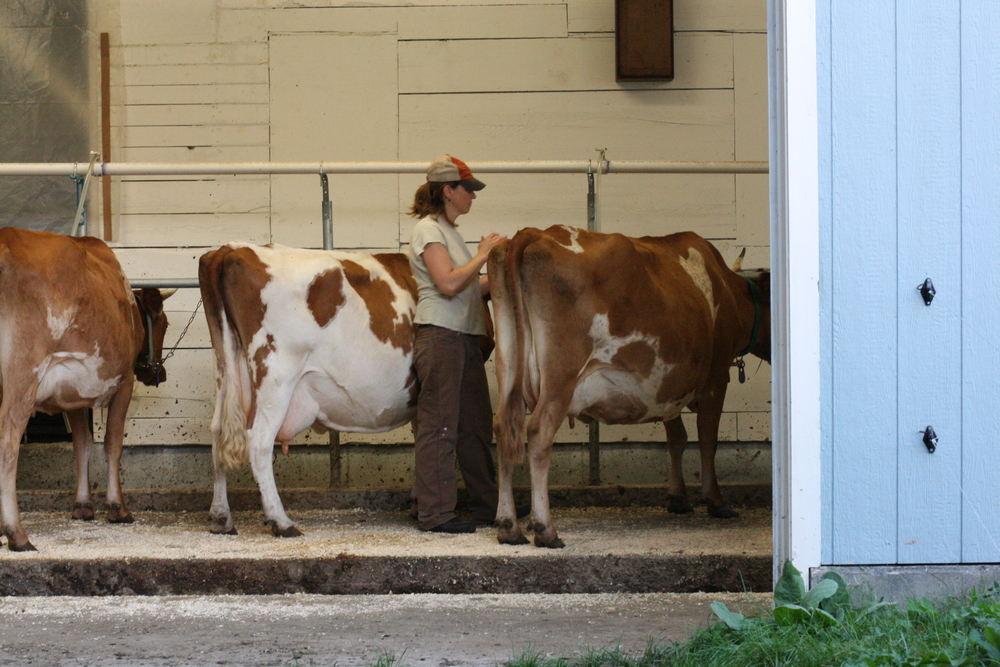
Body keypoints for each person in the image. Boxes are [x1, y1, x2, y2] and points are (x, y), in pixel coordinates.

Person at [406, 154, 507, 534]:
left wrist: (497, 276)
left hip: (463, 337)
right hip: (441, 334)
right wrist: (483, 254)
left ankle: (487, 505)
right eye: (469, 190)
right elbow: (448, 284)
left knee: (476, 426)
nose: (473, 197)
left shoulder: (450, 234)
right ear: (448, 191)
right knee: (440, 425)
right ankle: (435, 513)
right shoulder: (428, 231)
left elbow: (466, 288)